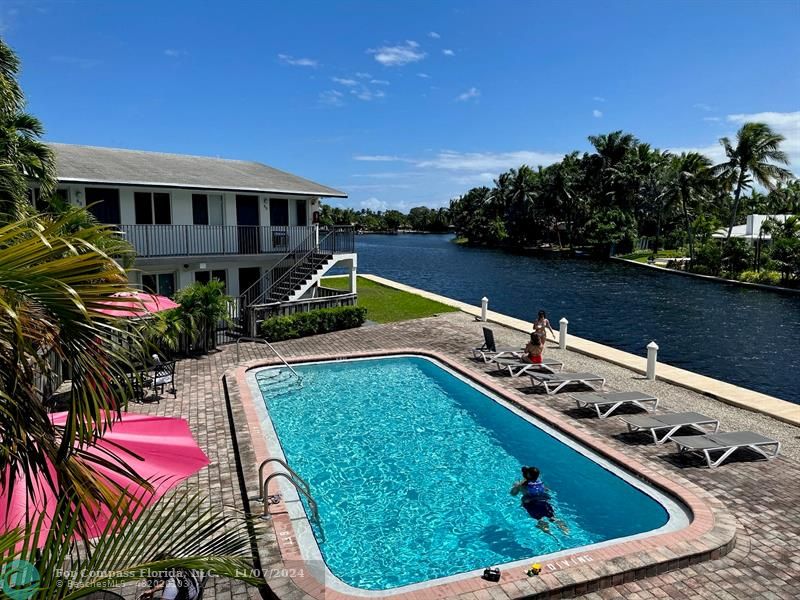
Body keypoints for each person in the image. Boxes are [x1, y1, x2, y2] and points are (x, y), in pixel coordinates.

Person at [511, 466, 569, 535]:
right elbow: (547, 491)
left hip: (532, 505)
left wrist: (516, 486)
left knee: (540, 519)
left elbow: (513, 494)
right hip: (544, 503)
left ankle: (549, 532)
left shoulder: (522, 485)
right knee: (553, 518)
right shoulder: (540, 482)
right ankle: (566, 531)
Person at [138, 563, 202, 600]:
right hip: (194, 595)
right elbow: (170, 581)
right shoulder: (183, 569)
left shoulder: (171, 587)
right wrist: (152, 590)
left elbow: (171, 585)